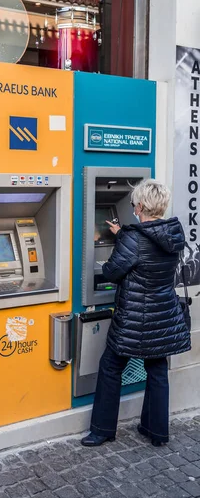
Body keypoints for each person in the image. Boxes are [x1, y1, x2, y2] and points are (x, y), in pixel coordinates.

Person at [81, 179, 191, 448]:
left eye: (132, 204)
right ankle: (157, 431)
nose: (132, 208)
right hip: (163, 315)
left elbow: (111, 272)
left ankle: (102, 430)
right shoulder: (173, 234)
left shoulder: (133, 238)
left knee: (110, 367)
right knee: (156, 369)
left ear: (140, 206)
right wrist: (122, 237)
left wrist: (119, 244)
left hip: (133, 318)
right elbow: (148, 252)